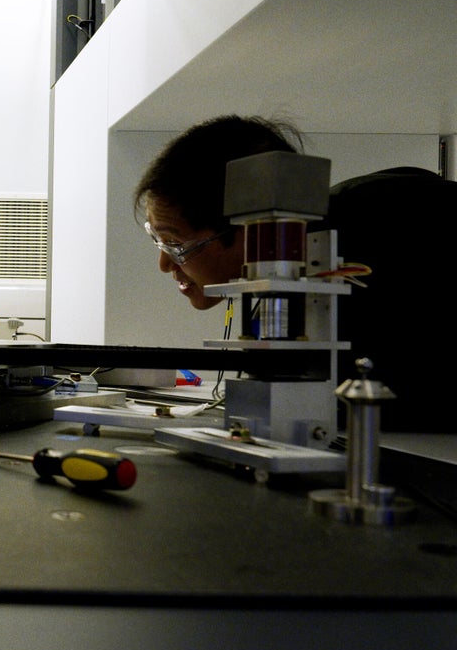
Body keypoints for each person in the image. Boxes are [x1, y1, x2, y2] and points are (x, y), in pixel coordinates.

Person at [134, 114, 457, 434]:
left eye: (175, 243)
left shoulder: (377, 240)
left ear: (248, 226)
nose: (166, 263)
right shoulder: (296, 270)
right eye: (157, 239)